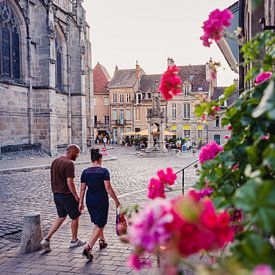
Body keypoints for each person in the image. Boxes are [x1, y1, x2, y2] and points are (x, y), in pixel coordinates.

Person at [40, 144, 85, 252]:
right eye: (76, 153)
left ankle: (46, 239)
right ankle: (74, 240)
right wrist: (76, 196)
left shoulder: (55, 161)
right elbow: (70, 182)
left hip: (56, 195)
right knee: (75, 216)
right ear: (71, 151)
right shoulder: (69, 164)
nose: (77, 155)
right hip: (66, 195)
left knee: (61, 217)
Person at [79, 149, 121, 260]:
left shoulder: (85, 172)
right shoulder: (104, 171)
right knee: (101, 224)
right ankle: (88, 247)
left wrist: (80, 202)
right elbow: (108, 187)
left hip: (89, 200)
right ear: (100, 159)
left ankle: (102, 241)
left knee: (98, 221)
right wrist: (116, 201)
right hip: (101, 200)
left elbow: (82, 189)